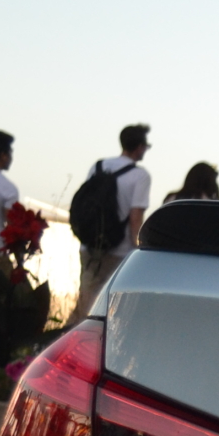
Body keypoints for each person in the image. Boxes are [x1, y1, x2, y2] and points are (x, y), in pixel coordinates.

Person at [71, 123, 151, 320]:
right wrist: (139, 250)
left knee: (85, 299)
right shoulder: (140, 176)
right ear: (139, 147)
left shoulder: (98, 166)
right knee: (109, 310)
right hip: (119, 250)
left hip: (89, 245)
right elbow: (135, 218)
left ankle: (65, 341)